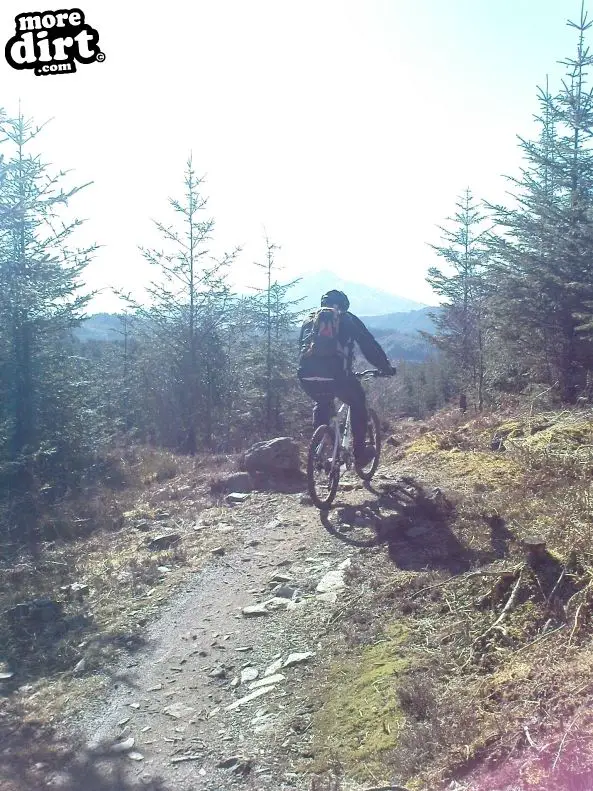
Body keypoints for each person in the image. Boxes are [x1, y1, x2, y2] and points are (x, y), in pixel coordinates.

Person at [297, 289, 396, 466]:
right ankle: (359, 454)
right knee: (358, 402)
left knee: (322, 402)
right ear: (344, 305)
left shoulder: (309, 319)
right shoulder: (347, 318)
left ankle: (322, 448)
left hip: (306, 376)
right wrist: (385, 367)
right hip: (337, 376)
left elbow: (301, 349)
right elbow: (368, 345)